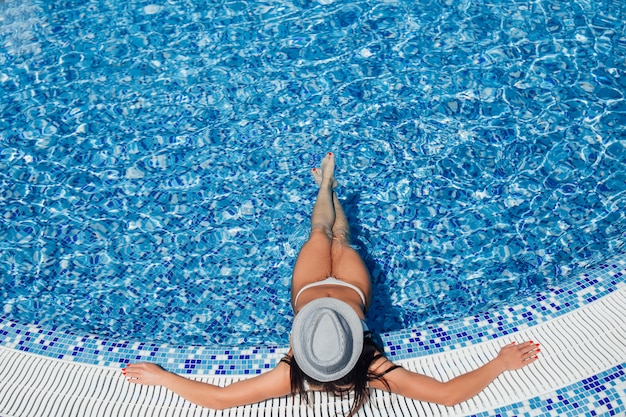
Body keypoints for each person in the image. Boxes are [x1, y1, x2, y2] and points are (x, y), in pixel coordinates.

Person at [123, 152, 540, 416]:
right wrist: (500, 363)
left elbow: (219, 400)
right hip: (352, 292)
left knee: (319, 234)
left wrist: (164, 378)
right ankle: (328, 186)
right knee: (340, 238)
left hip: (307, 290)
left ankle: (325, 187)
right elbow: (448, 396)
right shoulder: (372, 368)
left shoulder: (292, 375)